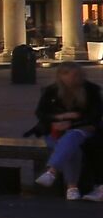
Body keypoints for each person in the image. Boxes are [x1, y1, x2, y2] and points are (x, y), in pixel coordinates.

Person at [30, 61, 103, 199]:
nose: (72, 78)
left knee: (72, 136)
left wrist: (70, 124)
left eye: (76, 75)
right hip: (55, 131)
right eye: (68, 74)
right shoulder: (51, 91)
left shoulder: (91, 90)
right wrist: (61, 117)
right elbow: (41, 113)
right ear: (60, 76)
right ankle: (72, 188)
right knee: (71, 148)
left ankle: (52, 171)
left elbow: (94, 116)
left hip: (84, 129)